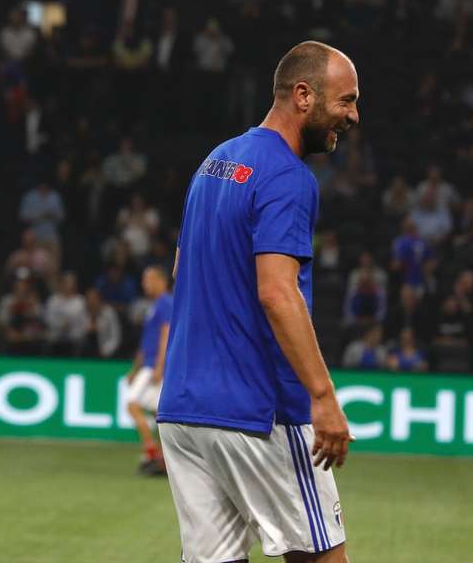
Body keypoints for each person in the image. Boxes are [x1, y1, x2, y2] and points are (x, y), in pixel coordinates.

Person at [159, 41, 358, 562]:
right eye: (345, 101)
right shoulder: (289, 177)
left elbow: (184, 270)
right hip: (258, 410)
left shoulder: (215, 163)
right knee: (320, 557)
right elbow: (276, 290)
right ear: (303, 95)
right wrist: (322, 396)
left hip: (184, 410)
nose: (353, 116)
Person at [125, 265, 172, 476]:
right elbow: (147, 341)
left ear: (161, 281)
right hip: (147, 364)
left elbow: (166, 334)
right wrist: (134, 369)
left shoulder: (165, 303)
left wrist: (161, 365)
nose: (145, 284)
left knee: (132, 405)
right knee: (157, 413)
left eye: (149, 279)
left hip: (154, 365)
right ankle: (163, 456)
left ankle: (152, 451)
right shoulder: (154, 306)